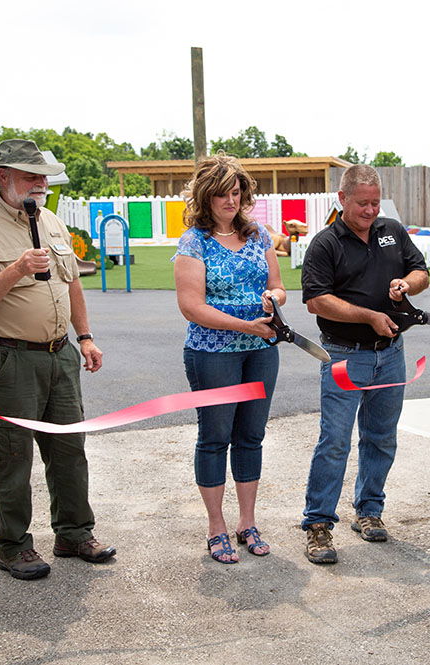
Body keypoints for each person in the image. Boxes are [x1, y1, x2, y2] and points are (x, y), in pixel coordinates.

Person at [0, 139, 116, 579]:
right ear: (3, 177)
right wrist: (16, 269)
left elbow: (71, 284)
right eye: (32, 176)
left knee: (70, 448)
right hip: (9, 358)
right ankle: (13, 546)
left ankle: (73, 532)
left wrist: (84, 337)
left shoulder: (49, 220)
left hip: (59, 354)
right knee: (12, 455)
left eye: (44, 176)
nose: (42, 184)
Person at [300, 164, 429, 564]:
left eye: (375, 202)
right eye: (363, 204)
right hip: (344, 355)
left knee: (381, 436)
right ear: (342, 200)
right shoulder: (325, 244)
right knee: (335, 441)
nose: (371, 210)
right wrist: (368, 316)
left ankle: (369, 510)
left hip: (391, 354)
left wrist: (407, 284)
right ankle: (318, 524)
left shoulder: (392, 230)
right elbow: (316, 301)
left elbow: (422, 271)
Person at [173, 154, 284, 564]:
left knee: (251, 436)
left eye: (236, 192)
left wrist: (275, 299)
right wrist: (246, 326)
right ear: (206, 197)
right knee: (215, 437)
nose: (230, 201)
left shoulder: (258, 236)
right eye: (221, 193)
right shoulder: (193, 243)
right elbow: (191, 307)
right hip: (212, 354)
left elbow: (278, 285)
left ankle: (247, 522)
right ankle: (216, 526)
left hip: (260, 353)